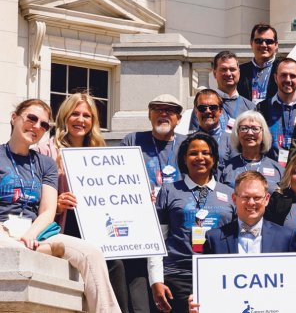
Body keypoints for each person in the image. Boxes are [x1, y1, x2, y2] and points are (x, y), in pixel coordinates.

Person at [2, 99, 120, 312]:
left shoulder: (45, 163)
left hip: (37, 233)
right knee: (13, 249)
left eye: (44, 124)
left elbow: (47, 210)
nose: (37, 126)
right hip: (2, 230)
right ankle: (37, 248)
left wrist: (31, 235)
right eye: (31, 118)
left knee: (91, 254)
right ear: (14, 117)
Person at [40, 93, 140, 312]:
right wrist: (56, 204)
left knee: (117, 265)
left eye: (87, 115)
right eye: (75, 114)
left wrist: (139, 196)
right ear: (65, 116)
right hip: (62, 226)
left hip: (95, 230)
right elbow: (35, 199)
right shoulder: (45, 151)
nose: (81, 120)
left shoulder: (100, 153)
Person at [150, 133, 235, 313]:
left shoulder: (229, 194)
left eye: (206, 153)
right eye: (193, 153)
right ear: (184, 158)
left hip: (220, 275)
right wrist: (156, 280)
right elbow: (157, 239)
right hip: (177, 275)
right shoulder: (169, 191)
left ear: (214, 158)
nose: (200, 158)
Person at [202, 171, 296, 254]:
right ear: (234, 199)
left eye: (257, 197)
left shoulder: (286, 238)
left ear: (267, 199)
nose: (251, 203)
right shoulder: (213, 239)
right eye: (245, 197)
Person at [122, 94, 186, 196]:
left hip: (177, 207)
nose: (164, 114)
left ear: (178, 119)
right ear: (149, 115)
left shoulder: (188, 143)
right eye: (158, 109)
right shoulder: (133, 141)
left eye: (170, 110)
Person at [256, 58, 296, 165]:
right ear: (275, 78)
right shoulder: (262, 108)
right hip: (270, 171)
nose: (288, 79)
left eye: (292, 76)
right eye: (283, 75)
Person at [220, 111, 284, 192]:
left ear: (263, 133)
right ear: (237, 133)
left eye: (255, 129)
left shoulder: (278, 170)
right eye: (244, 128)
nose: (249, 133)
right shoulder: (226, 168)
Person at [196, 51, 257, 133]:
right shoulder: (202, 106)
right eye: (223, 69)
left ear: (239, 72)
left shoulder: (250, 107)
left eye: (232, 69)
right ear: (214, 73)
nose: (228, 74)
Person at [238, 23, 279, 103]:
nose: (263, 45)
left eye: (269, 41)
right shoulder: (240, 71)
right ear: (251, 43)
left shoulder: (286, 70)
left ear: (276, 45)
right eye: (258, 41)